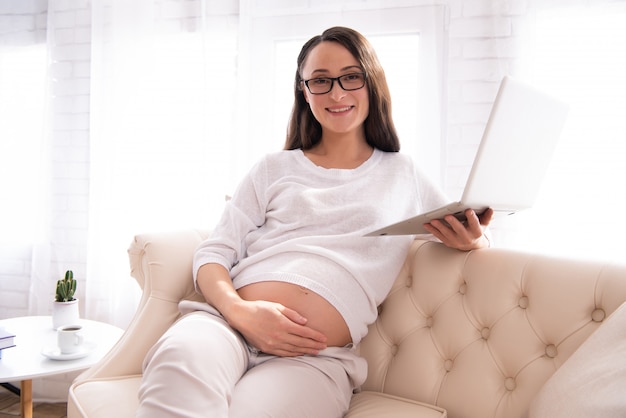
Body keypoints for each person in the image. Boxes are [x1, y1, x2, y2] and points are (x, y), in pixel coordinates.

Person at [136, 26, 493, 418]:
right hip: (226, 327)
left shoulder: (404, 174)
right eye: (321, 81)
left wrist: (472, 242)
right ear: (304, 92)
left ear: (371, 82)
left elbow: (467, 235)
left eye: (351, 77)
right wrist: (240, 312)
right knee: (179, 363)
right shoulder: (273, 168)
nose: (337, 94)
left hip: (313, 358)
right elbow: (213, 253)